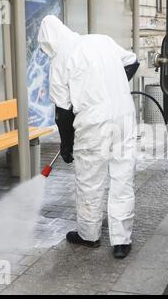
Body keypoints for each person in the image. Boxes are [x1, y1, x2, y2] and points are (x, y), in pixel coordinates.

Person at [38, 15, 139, 259]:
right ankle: (121, 241)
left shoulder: (61, 59)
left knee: (90, 181)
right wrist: (109, 85)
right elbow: (132, 62)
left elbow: (62, 113)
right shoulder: (101, 40)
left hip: (94, 123)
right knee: (122, 178)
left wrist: (66, 145)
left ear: (49, 41)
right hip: (124, 117)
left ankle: (89, 235)